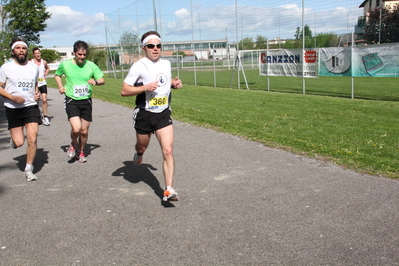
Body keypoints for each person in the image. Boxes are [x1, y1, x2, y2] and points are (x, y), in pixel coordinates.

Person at [121, 31, 183, 201]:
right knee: (142, 146)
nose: (155, 49)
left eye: (158, 46)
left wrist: (174, 84)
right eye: (151, 46)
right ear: (144, 48)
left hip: (163, 113)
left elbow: (164, 81)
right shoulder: (139, 66)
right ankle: (139, 154)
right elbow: (124, 90)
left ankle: (168, 189)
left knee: (168, 151)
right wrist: (144, 87)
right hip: (144, 115)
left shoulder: (166, 64)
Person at [54, 40, 105, 163]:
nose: (82, 57)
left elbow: (102, 80)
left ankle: (81, 151)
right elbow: (57, 75)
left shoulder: (91, 65)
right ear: (74, 53)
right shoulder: (65, 64)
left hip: (86, 101)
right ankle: (73, 144)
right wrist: (60, 86)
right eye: (79, 54)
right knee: (76, 129)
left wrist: (95, 82)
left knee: (84, 130)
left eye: (84, 55)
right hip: (72, 99)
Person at [0, 37, 41, 181]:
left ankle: (28, 169)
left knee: (32, 138)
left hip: (30, 106)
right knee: (19, 142)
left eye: (23, 48)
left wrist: (37, 93)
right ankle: (14, 140)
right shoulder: (6, 67)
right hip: (13, 108)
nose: (21, 51)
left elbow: (35, 84)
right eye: (18, 48)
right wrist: (12, 98)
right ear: (13, 51)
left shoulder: (33, 67)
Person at [30, 47, 50, 126]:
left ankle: (45, 116)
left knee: (44, 99)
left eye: (38, 53)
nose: (38, 55)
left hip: (43, 82)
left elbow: (47, 68)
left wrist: (46, 72)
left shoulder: (44, 62)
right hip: (35, 84)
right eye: (36, 53)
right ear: (33, 54)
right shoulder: (31, 62)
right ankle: (37, 115)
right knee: (36, 100)